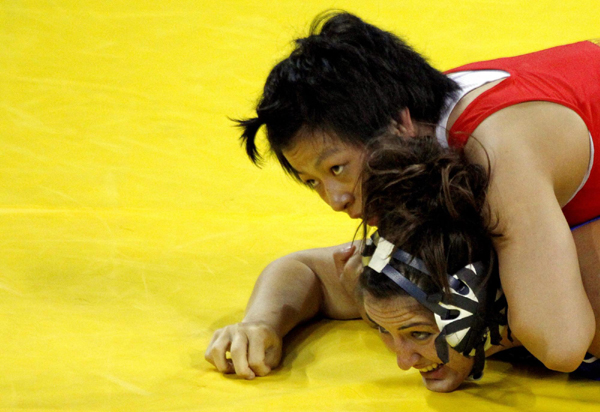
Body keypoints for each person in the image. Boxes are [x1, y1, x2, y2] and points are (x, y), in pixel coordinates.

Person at [206, 11, 600, 380]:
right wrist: (259, 324)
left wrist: (464, 333)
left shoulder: (497, 153)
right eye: (313, 181)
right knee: (413, 285)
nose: (335, 200)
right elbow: (307, 270)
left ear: (400, 123)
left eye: (337, 168)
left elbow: (561, 342)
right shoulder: (419, 145)